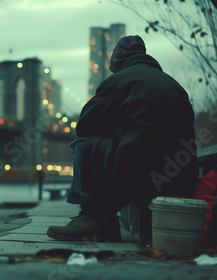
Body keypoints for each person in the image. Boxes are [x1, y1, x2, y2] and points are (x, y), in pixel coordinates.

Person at [47, 35, 198, 242]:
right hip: (180, 178)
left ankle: (91, 217)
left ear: (116, 61)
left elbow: (85, 126)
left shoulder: (118, 80)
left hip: (138, 177)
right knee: (128, 149)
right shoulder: (174, 85)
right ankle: (106, 225)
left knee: (83, 145)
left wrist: (113, 125)